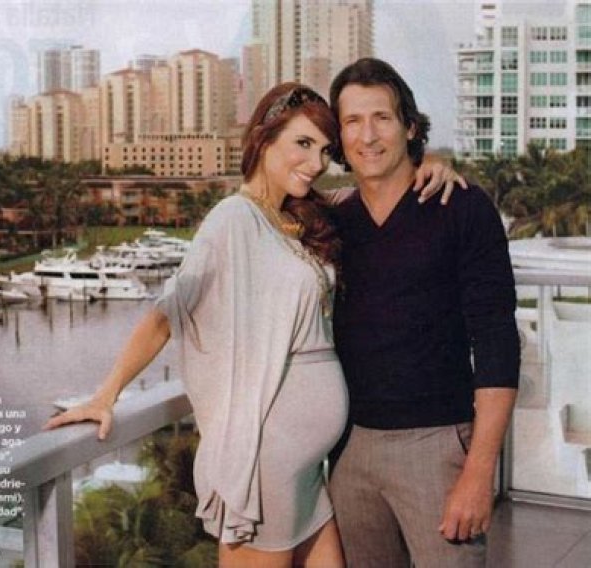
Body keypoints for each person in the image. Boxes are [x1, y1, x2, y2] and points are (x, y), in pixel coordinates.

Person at [44, 82, 459, 568]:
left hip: (307, 470)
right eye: (302, 144)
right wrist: (106, 394)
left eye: (324, 151)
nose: (315, 162)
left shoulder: (297, 216)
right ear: (264, 139)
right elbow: (166, 314)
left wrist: (426, 165)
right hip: (269, 465)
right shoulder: (232, 220)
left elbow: (378, 190)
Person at [328, 57, 520, 568]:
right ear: (339, 137)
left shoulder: (463, 208)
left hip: (437, 446)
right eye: (352, 121)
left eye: (382, 117)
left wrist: (478, 473)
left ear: (410, 126)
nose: (368, 135)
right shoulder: (334, 222)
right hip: (349, 451)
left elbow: (498, 343)